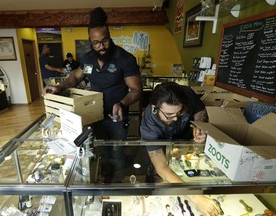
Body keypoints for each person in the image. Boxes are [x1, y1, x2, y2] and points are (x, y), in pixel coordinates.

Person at [42, 7, 142, 182]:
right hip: (92, 115)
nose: (101, 47)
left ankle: (117, 184)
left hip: (116, 116)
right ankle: (103, 178)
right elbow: (74, 78)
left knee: (117, 152)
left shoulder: (125, 58)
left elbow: (136, 90)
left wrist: (122, 103)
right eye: (96, 43)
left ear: (110, 37)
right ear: (90, 40)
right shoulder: (87, 58)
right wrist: (59, 87)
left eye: (105, 41)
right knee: (99, 150)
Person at [140, 82, 220, 216]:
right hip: (162, 148)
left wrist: (199, 125)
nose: (176, 118)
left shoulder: (187, 94)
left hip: (188, 146)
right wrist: (195, 196)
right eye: (169, 115)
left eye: (180, 112)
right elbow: (160, 165)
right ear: (155, 108)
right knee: (161, 178)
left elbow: (199, 110)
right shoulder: (149, 124)